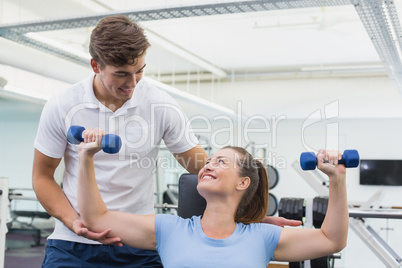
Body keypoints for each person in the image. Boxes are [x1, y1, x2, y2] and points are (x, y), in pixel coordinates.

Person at [32, 15, 299, 267]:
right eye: (122, 74)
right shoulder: (63, 105)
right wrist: (74, 221)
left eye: (139, 71)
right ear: (95, 65)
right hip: (73, 242)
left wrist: (248, 215)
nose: (133, 83)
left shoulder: (159, 104)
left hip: (137, 241)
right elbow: (42, 176)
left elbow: (202, 168)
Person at [77, 129, 349, 268]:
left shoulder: (262, 236)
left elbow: (332, 239)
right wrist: (85, 156)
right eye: (208, 161)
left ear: (243, 182)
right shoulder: (169, 229)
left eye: (220, 162)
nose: (207, 166)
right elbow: (96, 218)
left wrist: (337, 179)